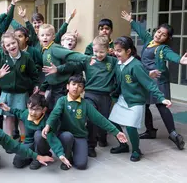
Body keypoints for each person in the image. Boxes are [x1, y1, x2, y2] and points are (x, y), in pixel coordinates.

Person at [43, 35, 117, 158]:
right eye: (96, 51)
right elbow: (72, 66)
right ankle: (91, 146)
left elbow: (122, 69)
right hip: (90, 94)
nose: (98, 54)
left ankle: (102, 138)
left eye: (101, 52)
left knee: (103, 119)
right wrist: (58, 69)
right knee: (91, 120)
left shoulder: (112, 61)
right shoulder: (88, 60)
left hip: (105, 96)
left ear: (108, 50)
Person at [121, 11, 186, 150]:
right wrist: (131, 20)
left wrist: (180, 59)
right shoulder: (149, 41)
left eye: (163, 35)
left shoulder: (162, 48)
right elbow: (141, 32)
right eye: (159, 32)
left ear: (167, 38)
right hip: (146, 78)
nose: (159, 35)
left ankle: (173, 134)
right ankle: (150, 130)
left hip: (159, 80)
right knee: (145, 104)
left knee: (162, 106)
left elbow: (171, 55)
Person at [42, 74, 128, 170]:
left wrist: (116, 132)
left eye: (80, 86)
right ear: (67, 86)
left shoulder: (86, 104)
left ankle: (75, 150)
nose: (76, 88)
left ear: (83, 90)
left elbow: (100, 119)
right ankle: (68, 156)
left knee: (81, 165)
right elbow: (55, 114)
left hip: (80, 136)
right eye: (73, 84)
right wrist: (48, 125)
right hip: (65, 135)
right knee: (67, 136)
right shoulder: (62, 101)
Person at [108, 36, 172, 161]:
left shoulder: (136, 65)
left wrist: (161, 98)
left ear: (128, 51)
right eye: (115, 50)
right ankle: (123, 145)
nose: (116, 53)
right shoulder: (118, 63)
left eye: (119, 50)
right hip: (123, 99)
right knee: (112, 122)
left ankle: (136, 150)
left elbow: (149, 83)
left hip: (136, 101)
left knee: (131, 127)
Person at [37, 24, 87, 112]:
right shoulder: (46, 50)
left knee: (60, 110)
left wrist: (88, 58)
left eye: (47, 35)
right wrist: (43, 88)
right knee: (49, 109)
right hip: (53, 87)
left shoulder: (56, 50)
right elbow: (48, 72)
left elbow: (75, 63)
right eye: (42, 35)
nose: (45, 37)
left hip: (63, 87)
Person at [0, 93, 54, 170]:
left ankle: (39, 157)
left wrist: (60, 153)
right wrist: (8, 109)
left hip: (42, 143)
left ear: (44, 110)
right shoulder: (26, 114)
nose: (33, 112)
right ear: (28, 107)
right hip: (29, 143)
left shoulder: (47, 120)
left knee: (38, 134)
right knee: (17, 162)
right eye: (31, 109)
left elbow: (53, 137)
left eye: (37, 109)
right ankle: (36, 155)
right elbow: (18, 112)